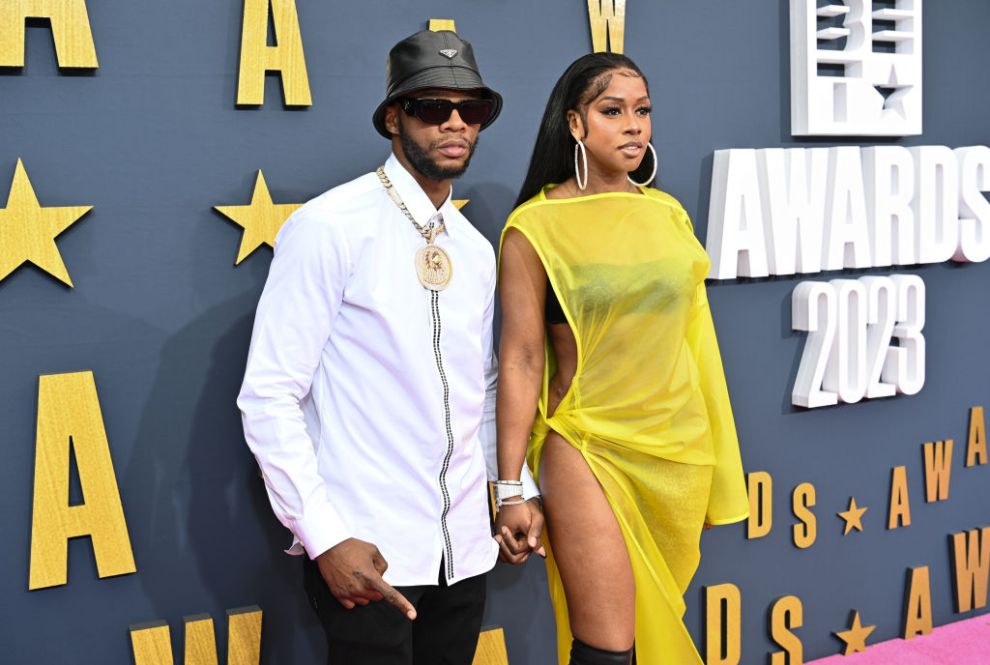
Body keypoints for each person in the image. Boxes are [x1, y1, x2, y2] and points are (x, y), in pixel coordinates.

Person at [237, 29, 543, 665]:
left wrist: (512, 487)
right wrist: (324, 538)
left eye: (472, 110)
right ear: (393, 118)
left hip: (463, 549)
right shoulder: (328, 227)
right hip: (366, 550)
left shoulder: (475, 247)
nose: (455, 123)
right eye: (433, 107)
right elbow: (269, 396)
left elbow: (481, 386)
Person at [494, 52, 749, 665]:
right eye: (613, 111)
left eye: (643, 111)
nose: (634, 125)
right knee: (608, 646)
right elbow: (522, 359)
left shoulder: (668, 214)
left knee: (656, 626)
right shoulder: (534, 228)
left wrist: (717, 473)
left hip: (677, 449)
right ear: (575, 125)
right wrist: (509, 487)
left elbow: (698, 345)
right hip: (589, 446)